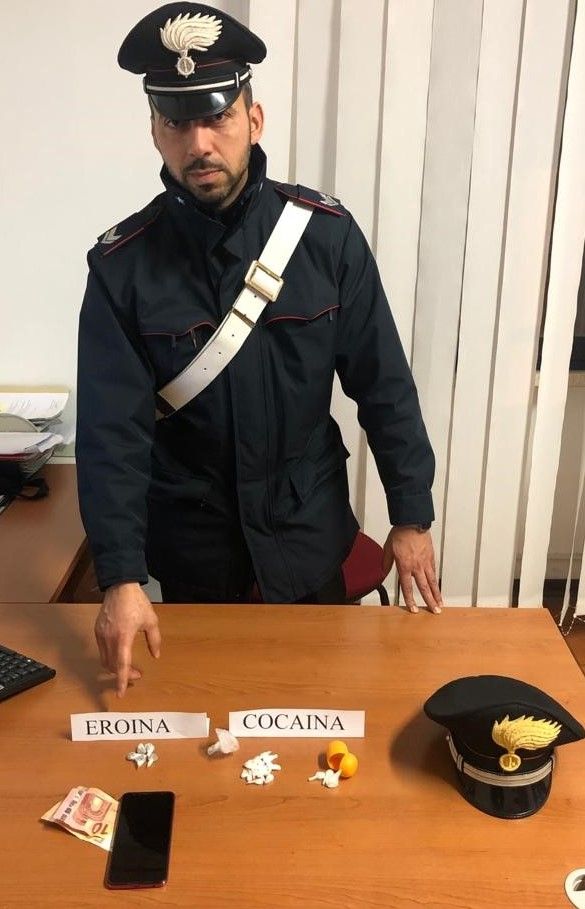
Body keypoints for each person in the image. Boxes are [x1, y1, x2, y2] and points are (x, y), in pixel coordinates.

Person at [76, 2, 443, 698]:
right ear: (154, 131)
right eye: (177, 122)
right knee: (208, 723)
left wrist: (411, 515)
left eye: (217, 116)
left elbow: (384, 385)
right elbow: (109, 438)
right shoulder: (122, 268)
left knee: (321, 719)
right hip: (194, 555)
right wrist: (120, 577)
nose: (199, 143)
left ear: (254, 119)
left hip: (308, 536)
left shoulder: (325, 238)